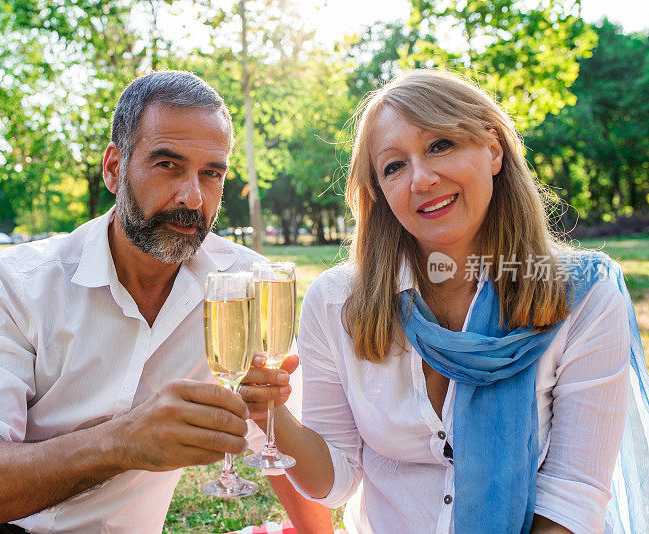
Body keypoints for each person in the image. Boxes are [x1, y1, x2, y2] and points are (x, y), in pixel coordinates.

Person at [0, 71, 333, 533]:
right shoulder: (22, 282)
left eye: (211, 174)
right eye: (168, 165)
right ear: (114, 168)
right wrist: (124, 442)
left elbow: (274, 447)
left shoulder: (243, 286)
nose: (192, 196)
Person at [238, 69, 649, 533]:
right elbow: (334, 482)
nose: (422, 179)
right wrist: (271, 414)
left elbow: (573, 497)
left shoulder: (587, 294)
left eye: (440, 145)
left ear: (493, 149)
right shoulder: (337, 303)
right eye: (394, 166)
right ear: (381, 193)